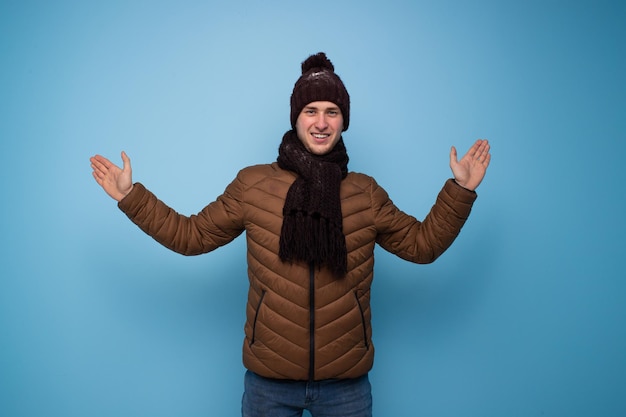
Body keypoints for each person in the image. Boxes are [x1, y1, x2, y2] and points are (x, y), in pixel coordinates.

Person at [90, 52, 490, 417]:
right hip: (269, 383)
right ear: (296, 117)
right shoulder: (252, 185)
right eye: (311, 110)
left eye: (332, 112)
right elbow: (191, 237)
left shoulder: (364, 192)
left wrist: (461, 191)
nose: (321, 122)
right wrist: (130, 196)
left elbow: (422, 246)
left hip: (346, 385)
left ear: (343, 120)